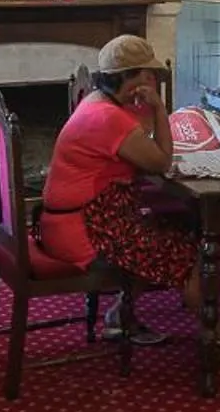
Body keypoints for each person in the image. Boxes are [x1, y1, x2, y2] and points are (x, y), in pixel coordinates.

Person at [38, 35, 198, 322]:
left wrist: (145, 106)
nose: (153, 78)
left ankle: (120, 314)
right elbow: (161, 161)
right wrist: (160, 108)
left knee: (180, 226)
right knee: (192, 251)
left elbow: (140, 135)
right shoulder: (108, 118)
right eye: (148, 73)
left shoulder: (96, 101)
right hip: (84, 232)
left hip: (73, 221)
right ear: (130, 78)